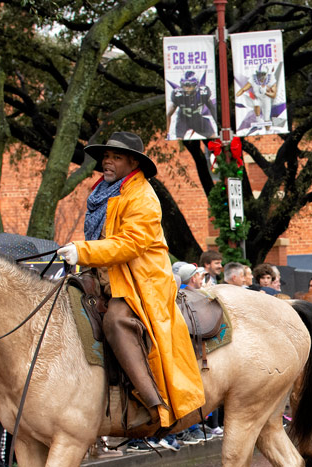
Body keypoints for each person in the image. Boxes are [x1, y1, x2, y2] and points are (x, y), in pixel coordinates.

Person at [56, 131, 205, 429]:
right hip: (105, 277)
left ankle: (153, 404)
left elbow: (130, 244)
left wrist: (81, 251)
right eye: (106, 157)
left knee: (115, 322)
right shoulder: (103, 193)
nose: (107, 162)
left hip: (140, 282)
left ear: (133, 162)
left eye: (116, 157)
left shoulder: (143, 196)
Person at [166, 71, 218, 140]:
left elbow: (212, 109)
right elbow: (169, 114)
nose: (186, 88)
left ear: (196, 85)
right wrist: (167, 132)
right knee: (178, 140)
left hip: (197, 119)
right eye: (184, 85)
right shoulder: (178, 95)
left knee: (214, 138)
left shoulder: (203, 93)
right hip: (183, 120)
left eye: (189, 86)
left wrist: (218, 126)